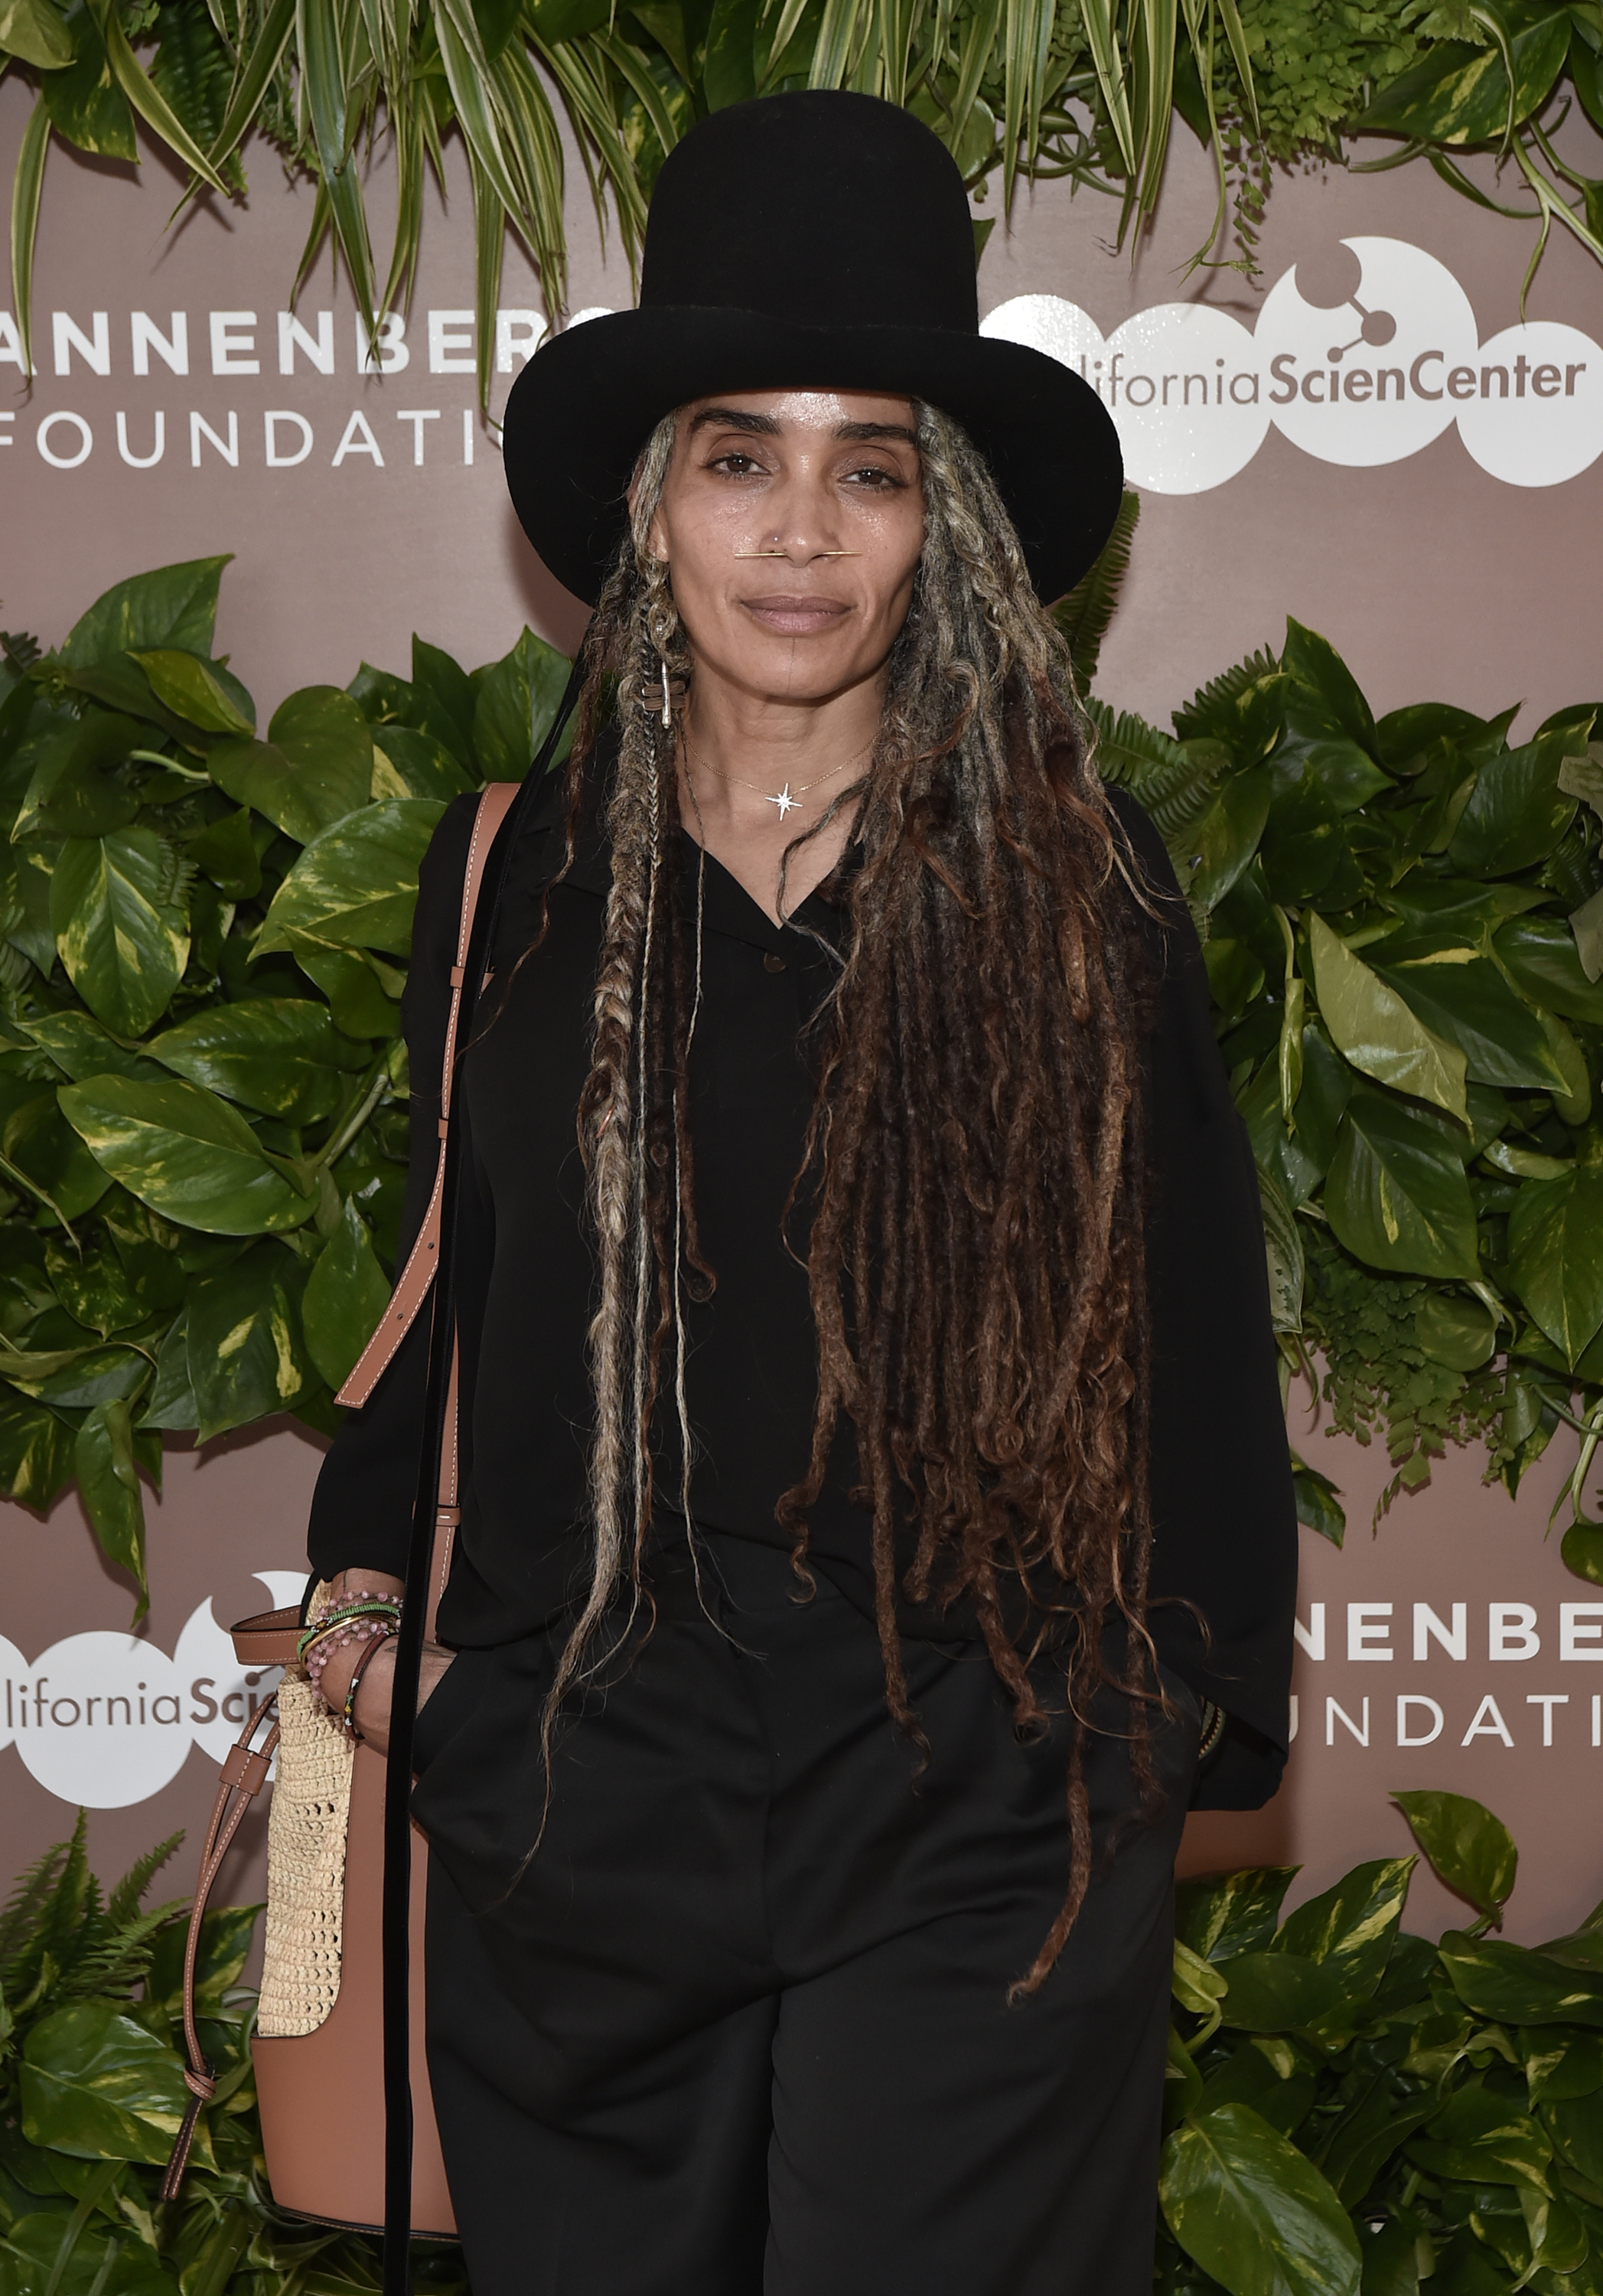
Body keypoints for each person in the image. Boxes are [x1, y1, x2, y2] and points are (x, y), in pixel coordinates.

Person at [303, 89, 1298, 2296]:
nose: (799, 530)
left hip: (973, 1787)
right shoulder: (511, 882)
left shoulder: (1070, 891)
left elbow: (1194, 1331)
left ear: (937, 527)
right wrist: (381, 1620)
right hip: (584, 1768)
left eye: (871, 468)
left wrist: (1154, 1730)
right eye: (741, 455)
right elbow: (445, 1289)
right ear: (656, 504)